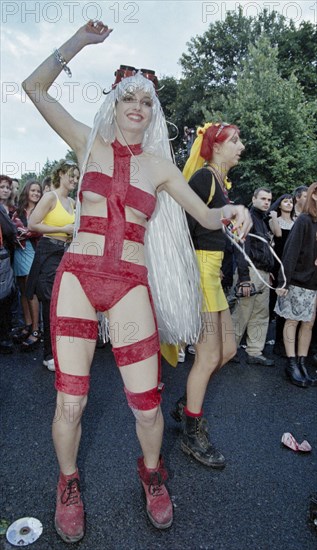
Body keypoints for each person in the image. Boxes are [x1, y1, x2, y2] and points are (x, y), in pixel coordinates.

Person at [22, 20, 251, 543]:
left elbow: (208, 218)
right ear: (115, 102)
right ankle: (68, 483)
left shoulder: (161, 167)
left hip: (129, 282)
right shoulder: (87, 142)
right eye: (129, 97)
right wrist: (78, 41)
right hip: (78, 277)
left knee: (146, 405)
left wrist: (232, 208)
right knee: (71, 402)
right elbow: (34, 89)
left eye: (147, 102)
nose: (138, 108)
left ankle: (152, 474)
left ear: (154, 113)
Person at [171, 122, 245, 468]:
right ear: (215, 146)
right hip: (200, 271)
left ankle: (187, 403)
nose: (241, 146)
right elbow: (182, 231)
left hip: (213, 273)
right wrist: (184, 281)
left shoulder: (221, 184)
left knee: (227, 350)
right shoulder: (202, 179)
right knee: (207, 356)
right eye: (235, 140)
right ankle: (191, 432)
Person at [27, 160, 79, 372]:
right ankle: (49, 355)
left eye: (77, 177)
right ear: (61, 175)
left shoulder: (73, 202)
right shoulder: (51, 197)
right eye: (71, 176)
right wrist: (63, 227)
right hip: (48, 251)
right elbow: (32, 224)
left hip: (66, 253)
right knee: (50, 304)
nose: (75, 180)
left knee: (63, 304)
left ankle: (59, 352)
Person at [275, 182, 317, 387]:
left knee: (308, 323)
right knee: (292, 321)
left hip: (314, 283)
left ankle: (302, 363)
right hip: (297, 280)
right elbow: (290, 251)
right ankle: (291, 364)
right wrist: (284, 281)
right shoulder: (304, 221)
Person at [231, 188, 275, 366]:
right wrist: (244, 278)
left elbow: (264, 248)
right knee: (241, 313)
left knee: (261, 315)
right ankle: (229, 349)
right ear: (253, 199)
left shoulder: (263, 221)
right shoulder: (247, 218)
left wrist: (268, 270)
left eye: (269, 199)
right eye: (263, 198)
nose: (267, 202)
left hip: (262, 274)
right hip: (249, 272)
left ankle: (255, 352)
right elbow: (241, 248)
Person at [12, 180, 42, 350]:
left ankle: (37, 331)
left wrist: (27, 232)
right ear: (27, 192)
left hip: (33, 250)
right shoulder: (18, 210)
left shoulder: (42, 209)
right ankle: (28, 325)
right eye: (33, 190)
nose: (36, 193)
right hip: (19, 251)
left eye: (38, 191)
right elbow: (12, 227)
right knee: (23, 290)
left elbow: (41, 229)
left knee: (31, 291)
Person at [268, 194, 295, 355]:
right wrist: (274, 217)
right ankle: (263, 339)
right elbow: (278, 234)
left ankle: (280, 341)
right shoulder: (274, 219)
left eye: (291, 201)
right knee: (271, 302)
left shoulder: (297, 222)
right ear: (279, 204)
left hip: (290, 265)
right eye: (285, 201)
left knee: (286, 303)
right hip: (276, 263)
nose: (289, 204)